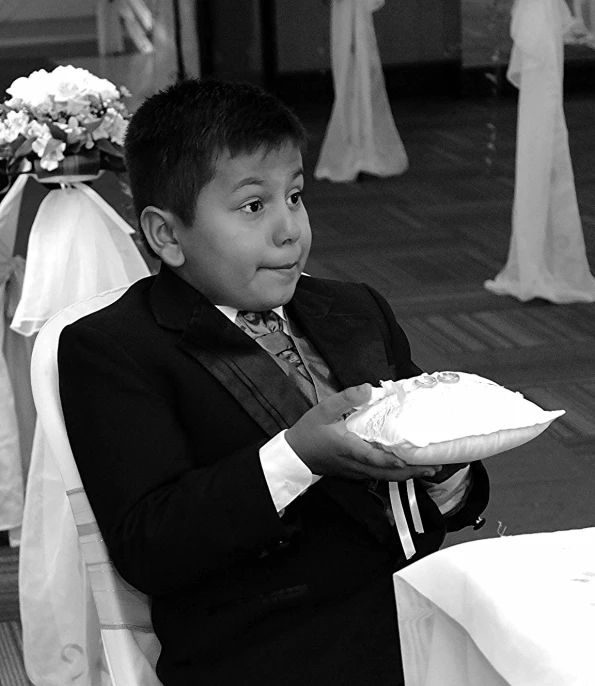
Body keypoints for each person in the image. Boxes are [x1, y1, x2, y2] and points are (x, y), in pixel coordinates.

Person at [57, 79, 489, 686]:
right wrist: (295, 457)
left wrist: (446, 467)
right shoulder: (117, 349)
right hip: (266, 650)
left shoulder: (354, 308)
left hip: (414, 612)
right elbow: (151, 543)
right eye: (253, 206)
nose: (290, 230)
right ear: (166, 235)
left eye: (295, 196)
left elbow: (440, 484)